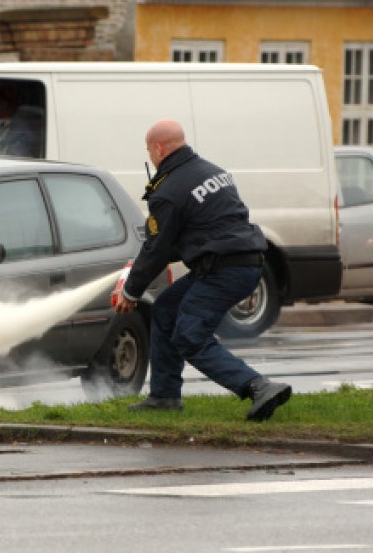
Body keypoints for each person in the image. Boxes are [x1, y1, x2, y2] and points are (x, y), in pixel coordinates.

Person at [113, 119, 291, 422]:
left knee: (190, 336)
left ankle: (257, 386)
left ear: (158, 148)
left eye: (149, 150)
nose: (151, 157)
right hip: (247, 264)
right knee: (166, 309)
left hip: (223, 269)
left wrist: (131, 291)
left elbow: (157, 248)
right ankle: (164, 396)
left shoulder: (168, 189)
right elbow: (189, 235)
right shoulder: (212, 171)